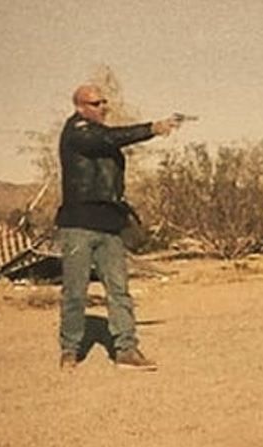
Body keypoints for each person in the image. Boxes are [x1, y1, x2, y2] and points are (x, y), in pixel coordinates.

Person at [57, 84, 179, 370]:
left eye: (104, 102)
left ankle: (126, 349)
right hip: (79, 223)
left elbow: (109, 142)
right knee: (75, 291)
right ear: (80, 107)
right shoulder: (77, 132)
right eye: (96, 103)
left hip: (109, 224)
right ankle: (70, 350)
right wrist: (151, 129)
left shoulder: (100, 136)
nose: (103, 107)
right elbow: (108, 138)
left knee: (119, 289)